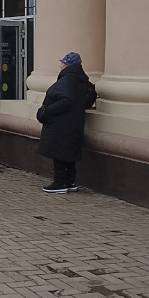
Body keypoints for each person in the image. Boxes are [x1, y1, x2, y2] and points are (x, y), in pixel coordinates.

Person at [37, 52, 89, 194]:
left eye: (62, 63)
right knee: (68, 153)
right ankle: (70, 182)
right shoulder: (80, 79)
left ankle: (59, 183)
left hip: (61, 124)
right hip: (73, 123)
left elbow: (66, 100)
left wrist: (47, 111)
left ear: (67, 65)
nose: (60, 65)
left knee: (59, 153)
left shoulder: (67, 79)